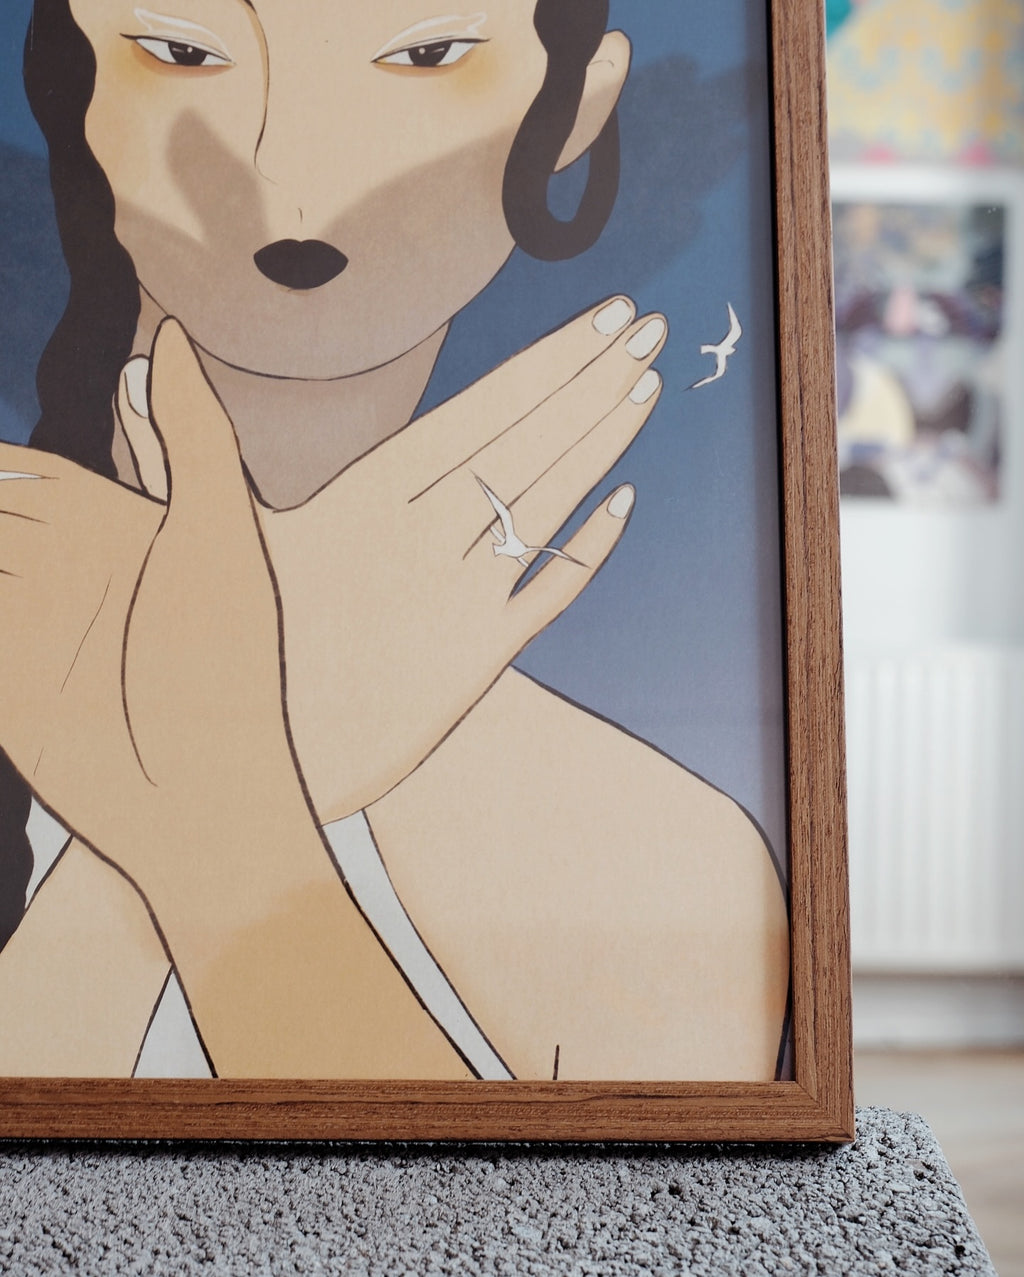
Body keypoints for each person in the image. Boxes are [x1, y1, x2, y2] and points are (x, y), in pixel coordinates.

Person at [0, 0, 789, 1081]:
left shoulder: (674, 865)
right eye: (184, 53)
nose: (289, 167)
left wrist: (219, 794)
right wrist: (236, 778)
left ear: (574, 109)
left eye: (425, 55)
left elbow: (546, 1244)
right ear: (72, 83)